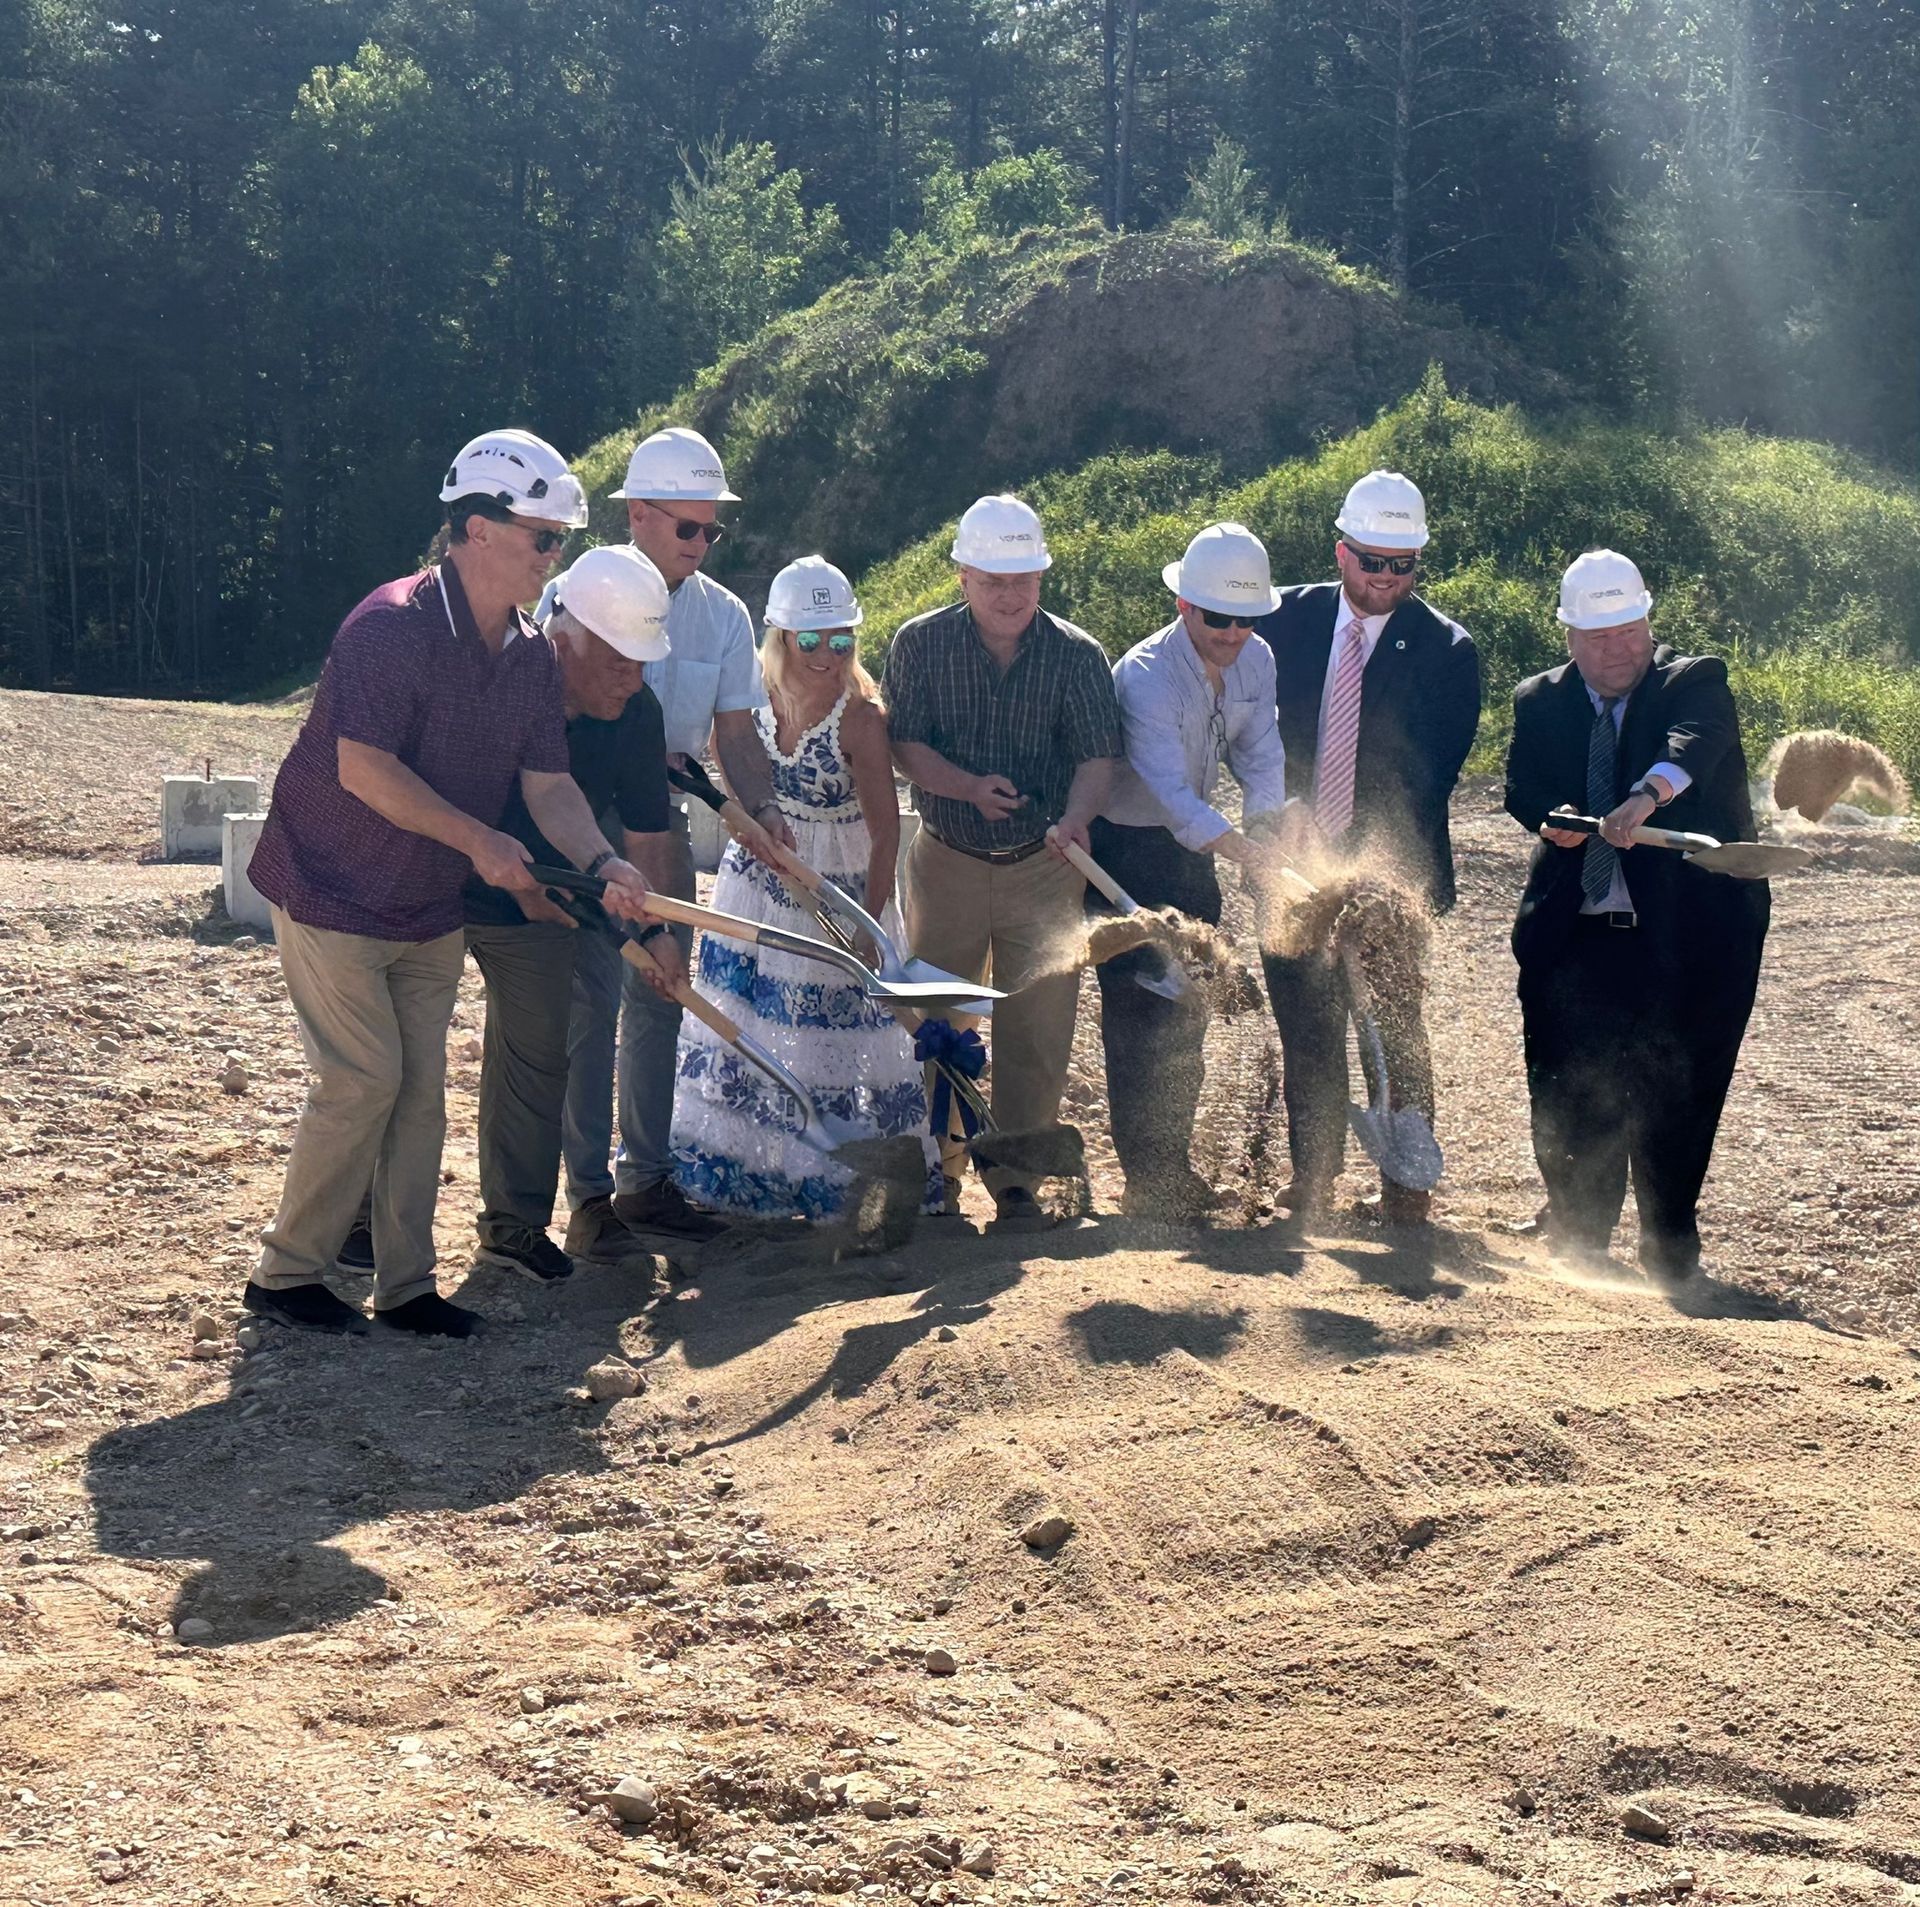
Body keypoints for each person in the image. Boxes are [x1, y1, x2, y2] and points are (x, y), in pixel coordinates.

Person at [244, 431, 652, 1338]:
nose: (556, 558)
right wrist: (478, 840)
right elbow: (363, 769)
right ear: (475, 529)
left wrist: (604, 864)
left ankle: (406, 1288)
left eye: (560, 540)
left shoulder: (534, 656)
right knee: (364, 1078)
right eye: (544, 538)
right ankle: (286, 1274)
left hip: (424, 904)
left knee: (419, 1091)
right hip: (330, 884)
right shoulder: (389, 627)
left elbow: (550, 787)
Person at [1504, 549, 1769, 1278]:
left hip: (1691, 941)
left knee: (1677, 1095)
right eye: (1598, 636)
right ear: (1569, 638)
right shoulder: (1540, 700)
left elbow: (1693, 745)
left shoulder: (1694, 681)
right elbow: (1522, 786)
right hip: (1576, 935)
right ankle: (1579, 1252)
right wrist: (1549, 818)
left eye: (1629, 630)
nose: (1617, 649)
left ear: (1648, 622)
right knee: (1566, 1086)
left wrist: (1646, 797)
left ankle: (1670, 1258)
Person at [561, 427, 791, 1262]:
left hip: (661, 827)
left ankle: (646, 1180)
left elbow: (736, 732)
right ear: (637, 515)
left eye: (710, 531)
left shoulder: (725, 615)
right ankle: (587, 1198)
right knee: (591, 1002)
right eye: (687, 528)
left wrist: (761, 806)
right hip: (581, 826)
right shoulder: (573, 595)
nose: (699, 545)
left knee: (663, 986)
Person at [669, 557, 940, 1219]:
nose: (827, 654)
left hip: (839, 887)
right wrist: (751, 822)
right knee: (752, 1021)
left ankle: (833, 1181)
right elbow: (725, 753)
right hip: (757, 881)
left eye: (841, 639)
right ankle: (750, 1171)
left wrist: (866, 926)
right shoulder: (750, 690)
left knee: (833, 1039)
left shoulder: (862, 719)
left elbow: (884, 835)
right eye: (811, 638)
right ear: (782, 637)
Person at [884, 494, 1124, 1234]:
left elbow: (1097, 757)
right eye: (993, 579)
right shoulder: (918, 646)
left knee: (1038, 1030)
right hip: (947, 858)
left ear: (1043, 577)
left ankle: (1018, 1181)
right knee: (935, 1020)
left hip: (1046, 866)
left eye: (1024, 578)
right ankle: (940, 1172)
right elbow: (904, 746)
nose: (1010, 595)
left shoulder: (1078, 655)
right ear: (962, 575)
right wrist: (964, 785)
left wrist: (1079, 816)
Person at [1254, 469, 1481, 1224]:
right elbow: (1251, 731)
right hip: (1291, 863)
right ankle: (1311, 1181)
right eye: (1371, 560)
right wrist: (1285, 810)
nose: (1387, 578)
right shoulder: (1279, 620)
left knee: (1394, 1029)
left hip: (1388, 877)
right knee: (1309, 1028)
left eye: (1403, 564)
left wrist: (1354, 874)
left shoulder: (1448, 651)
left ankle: (1405, 1188)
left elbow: (1425, 774)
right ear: (1341, 551)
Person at [463, 545, 678, 1282]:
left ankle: (530, 1221)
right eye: (618, 660)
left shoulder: (636, 711)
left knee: (542, 1049)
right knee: (397, 1056)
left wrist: (657, 931)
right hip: (436, 872)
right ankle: (357, 1221)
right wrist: (508, 873)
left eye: (642, 661)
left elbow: (649, 832)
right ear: (563, 641)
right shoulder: (498, 678)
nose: (634, 677)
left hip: (555, 890)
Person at [1095, 522, 1288, 1215]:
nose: (1233, 632)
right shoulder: (1143, 677)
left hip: (1192, 856)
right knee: (1138, 1005)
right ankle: (1147, 1178)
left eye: (1246, 618)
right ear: (1184, 607)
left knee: (1191, 1003)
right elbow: (1173, 799)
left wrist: (1264, 823)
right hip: (1125, 846)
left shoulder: (1258, 659)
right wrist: (1245, 850)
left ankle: (1171, 1163)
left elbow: (1261, 750)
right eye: (1218, 617)